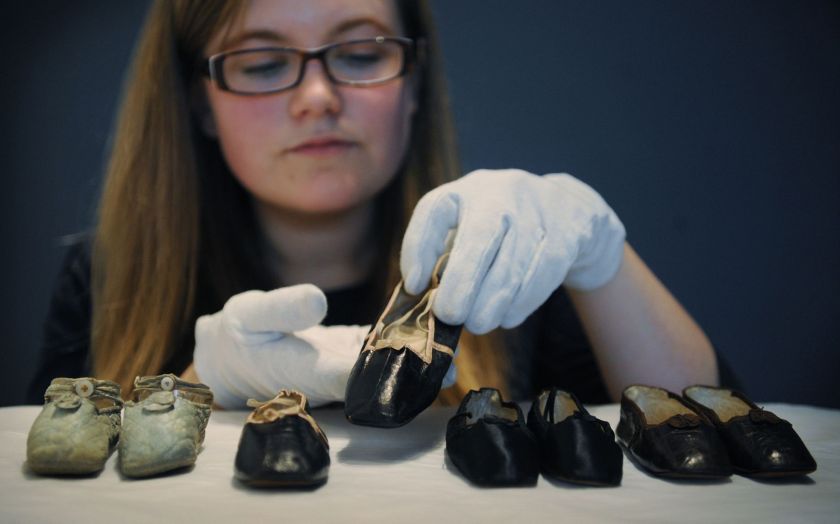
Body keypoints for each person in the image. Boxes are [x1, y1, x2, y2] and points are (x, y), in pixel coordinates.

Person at [28, 0, 718, 408]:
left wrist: (600, 255)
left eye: (360, 54)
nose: (318, 97)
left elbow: (710, 431)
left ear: (414, 82)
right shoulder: (108, 277)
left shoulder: (513, 262)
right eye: (263, 64)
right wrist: (196, 384)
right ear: (199, 103)